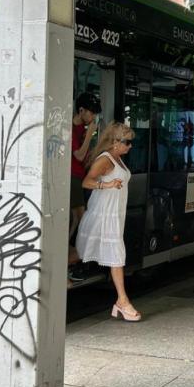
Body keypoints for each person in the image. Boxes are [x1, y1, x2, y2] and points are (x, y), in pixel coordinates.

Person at [75, 122, 139, 321]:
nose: (130, 146)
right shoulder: (106, 159)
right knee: (116, 256)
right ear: (115, 142)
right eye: (127, 142)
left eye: (131, 142)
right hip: (103, 215)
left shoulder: (118, 158)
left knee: (82, 253)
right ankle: (122, 301)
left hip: (114, 214)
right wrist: (108, 184)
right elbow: (87, 182)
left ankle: (51, 272)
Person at [68, 93, 101, 285]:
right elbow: (78, 155)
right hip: (72, 177)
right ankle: (76, 256)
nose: (93, 117)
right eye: (92, 113)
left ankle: (73, 254)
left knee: (77, 217)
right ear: (81, 110)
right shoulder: (73, 128)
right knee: (81, 217)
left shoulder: (81, 127)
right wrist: (90, 133)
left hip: (79, 176)